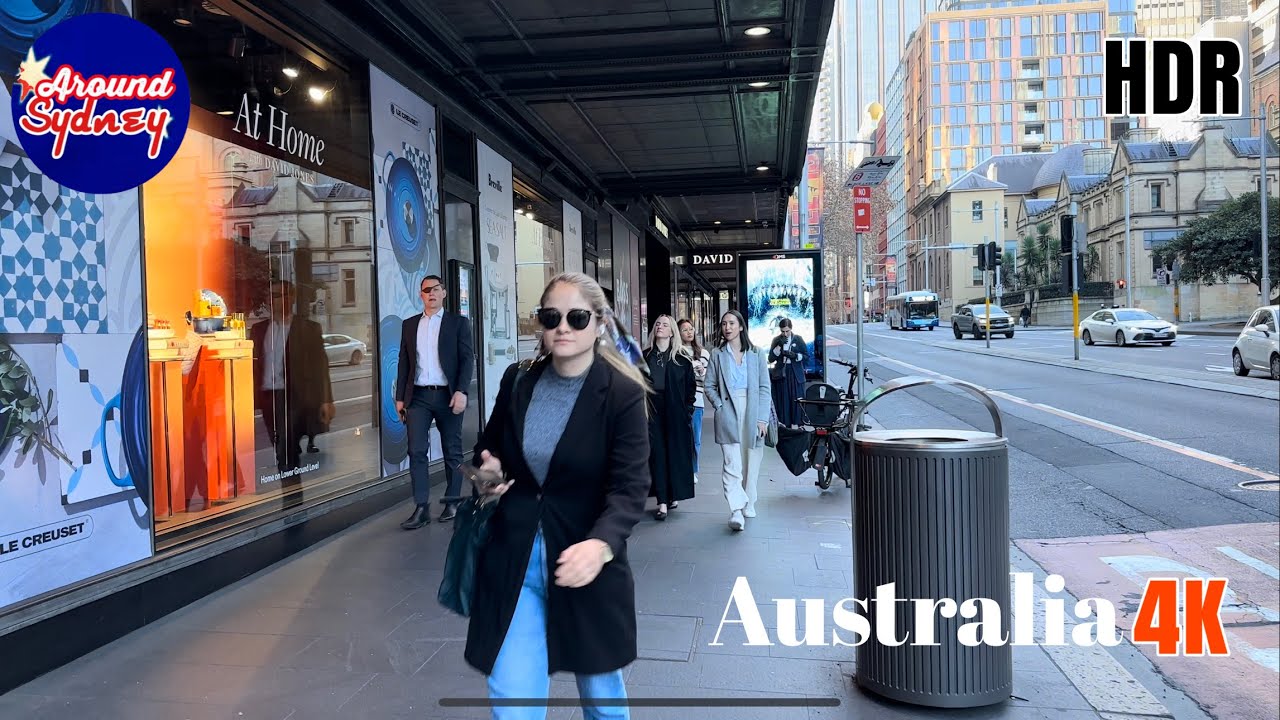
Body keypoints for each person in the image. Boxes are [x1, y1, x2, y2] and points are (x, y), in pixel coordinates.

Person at [462, 272, 650, 719]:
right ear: (541, 325)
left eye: (577, 317)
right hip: (517, 557)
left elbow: (630, 489)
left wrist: (600, 545)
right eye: (551, 317)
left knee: (603, 699)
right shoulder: (518, 380)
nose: (563, 327)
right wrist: (488, 473)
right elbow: (488, 451)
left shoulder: (621, 393)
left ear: (600, 324)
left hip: (584, 561)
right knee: (512, 697)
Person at [394, 274, 475, 529]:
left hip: (447, 395)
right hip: (418, 397)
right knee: (416, 451)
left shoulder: (457, 324)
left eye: (435, 289)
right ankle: (421, 507)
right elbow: (404, 362)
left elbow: (467, 359)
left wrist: (461, 391)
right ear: (421, 295)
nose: (431, 293)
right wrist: (399, 399)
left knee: (452, 449)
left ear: (444, 293)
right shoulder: (409, 325)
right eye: (426, 290)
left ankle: (452, 501)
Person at [251, 280, 335, 495]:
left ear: (291, 298)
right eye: (272, 295)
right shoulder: (259, 329)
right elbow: (253, 365)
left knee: (286, 450)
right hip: (269, 397)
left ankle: (292, 501)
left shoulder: (308, 328)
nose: (275, 300)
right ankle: (291, 494)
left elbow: (320, 365)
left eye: (280, 295)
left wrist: (326, 399)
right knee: (281, 449)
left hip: (295, 398)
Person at [704, 309, 772, 532]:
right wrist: (720, 406)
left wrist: (762, 418)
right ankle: (735, 509)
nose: (727, 328)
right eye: (724, 324)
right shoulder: (717, 354)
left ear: (741, 327)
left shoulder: (756, 354)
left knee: (751, 458)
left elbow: (764, 388)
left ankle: (749, 500)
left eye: (732, 323)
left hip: (752, 410)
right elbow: (709, 385)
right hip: (728, 410)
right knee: (732, 462)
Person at [643, 315, 696, 520]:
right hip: (652, 409)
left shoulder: (682, 359)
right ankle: (662, 501)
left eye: (665, 325)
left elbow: (691, 388)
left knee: (675, 453)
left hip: (676, 411)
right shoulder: (646, 355)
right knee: (657, 453)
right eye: (657, 324)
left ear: (672, 331)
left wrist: (688, 411)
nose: (660, 327)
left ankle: (673, 494)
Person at [677, 319, 708, 484]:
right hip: (678, 402)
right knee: (680, 438)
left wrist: (701, 372)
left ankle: (693, 470)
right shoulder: (675, 352)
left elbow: (706, 379)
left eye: (691, 329)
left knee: (695, 439)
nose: (689, 332)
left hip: (697, 401)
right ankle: (681, 469)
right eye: (684, 330)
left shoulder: (703, 353)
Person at [768, 319, 807, 429]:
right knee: (784, 400)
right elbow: (770, 358)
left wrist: (795, 356)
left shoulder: (798, 339)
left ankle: (800, 426)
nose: (785, 334)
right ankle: (787, 427)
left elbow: (806, 356)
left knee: (797, 400)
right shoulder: (776, 340)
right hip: (782, 374)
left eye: (787, 331)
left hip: (795, 374)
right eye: (783, 331)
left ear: (791, 329)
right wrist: (778, 347)